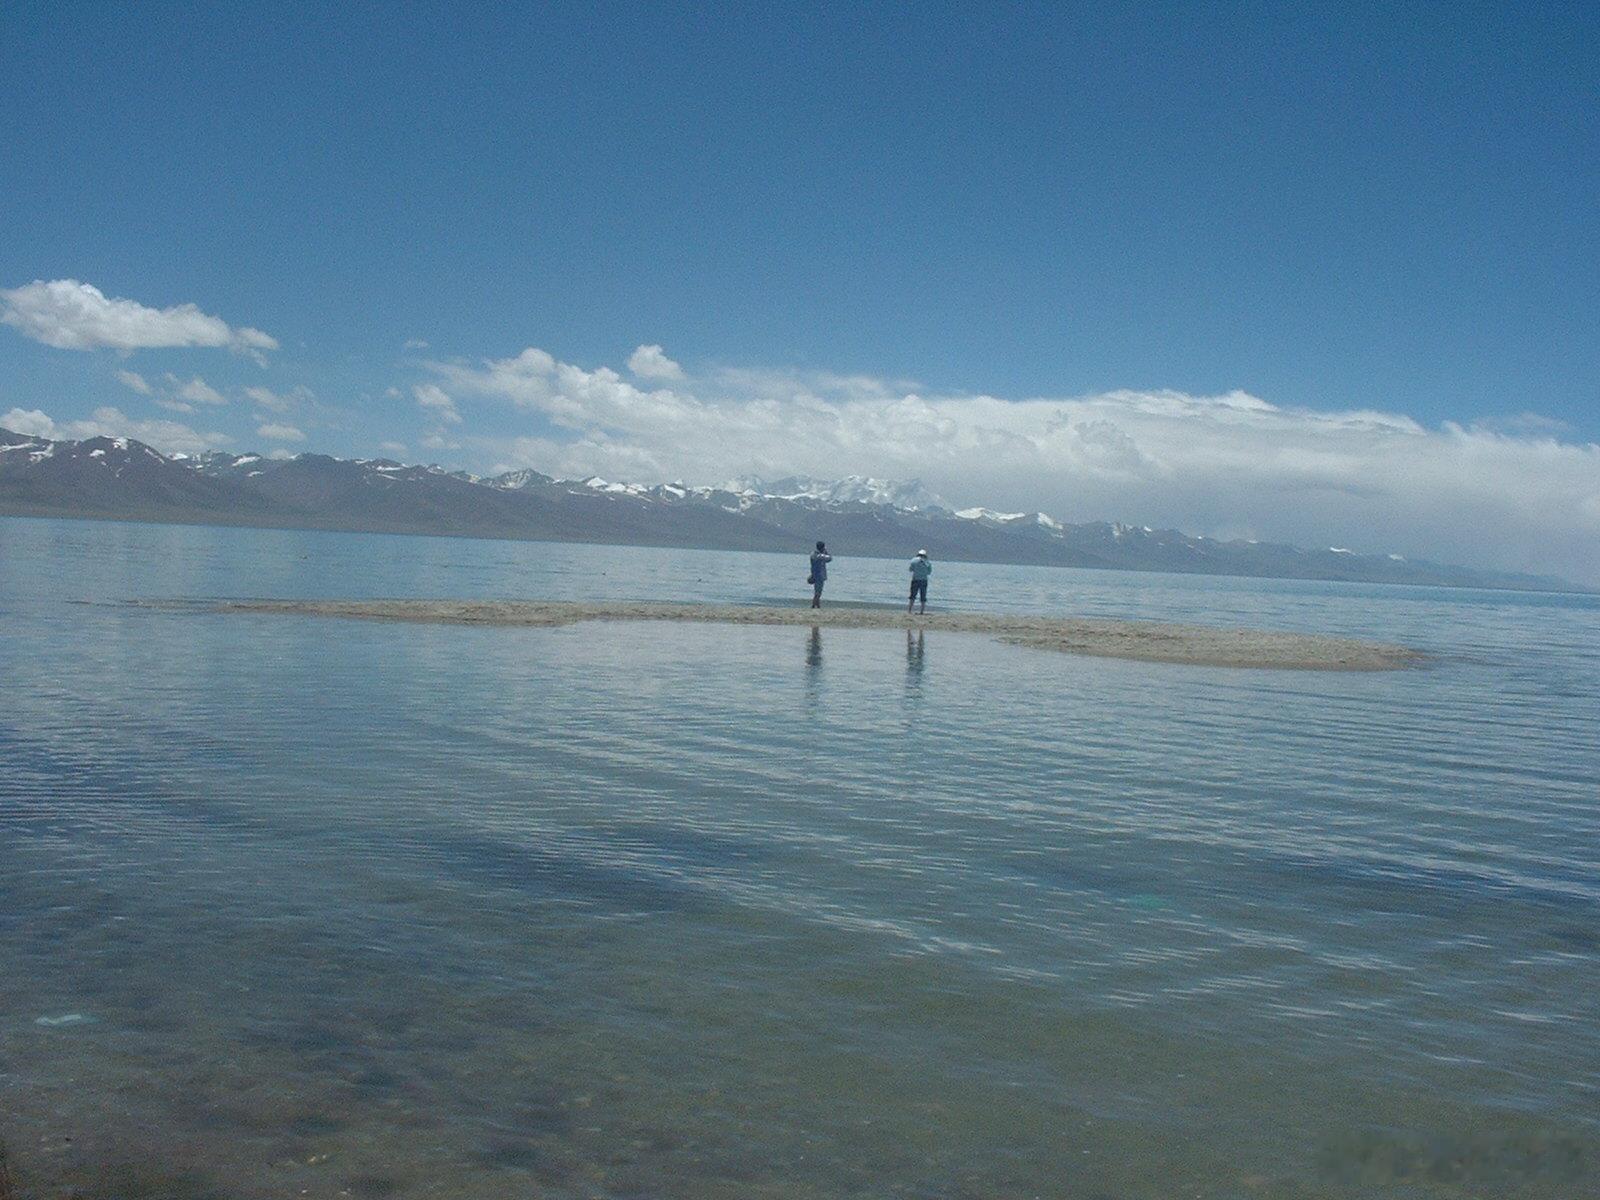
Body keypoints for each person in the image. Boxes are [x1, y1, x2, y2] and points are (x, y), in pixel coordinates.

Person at [808, 541, 832, 608]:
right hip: (819, 575)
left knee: (817, 591)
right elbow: (829, 558)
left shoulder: (813, 554)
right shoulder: (819, 555)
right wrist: (826, 552)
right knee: (818, 592)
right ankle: (813, 605)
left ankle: (817, 605)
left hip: (815, 574)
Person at [908, 548, 932, 613]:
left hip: (915, 579)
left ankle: (910, 610)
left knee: (912, 595)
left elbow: (910, 569)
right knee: (923, 596)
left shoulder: (913, 560)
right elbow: (929, 572)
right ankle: (922, 611)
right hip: (924, 580)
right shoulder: (927, 562)